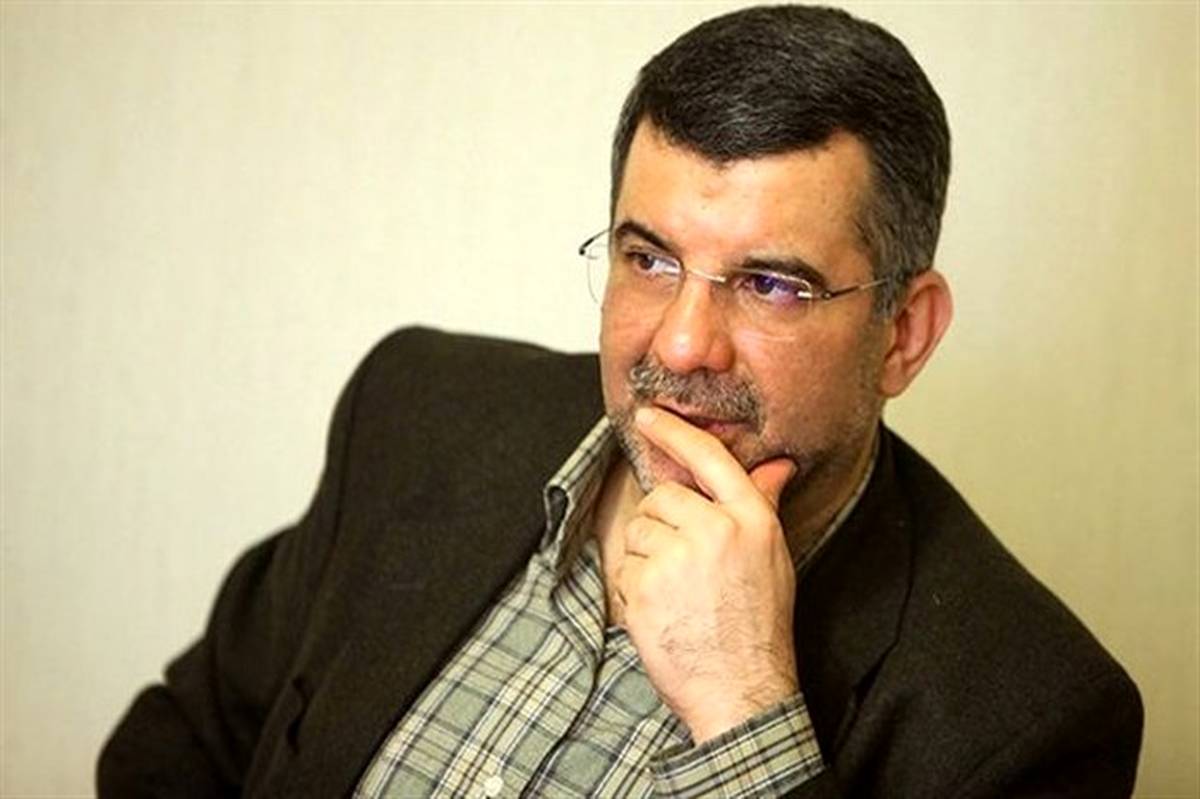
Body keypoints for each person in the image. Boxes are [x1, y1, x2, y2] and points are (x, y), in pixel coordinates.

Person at [98, 5, 1143, 797]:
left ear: (902, 334)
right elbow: (184, 743)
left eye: (770, 284)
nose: (681, 343)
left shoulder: (1035, 716)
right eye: (650, 259)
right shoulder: (418, 409)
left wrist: (746, 705)